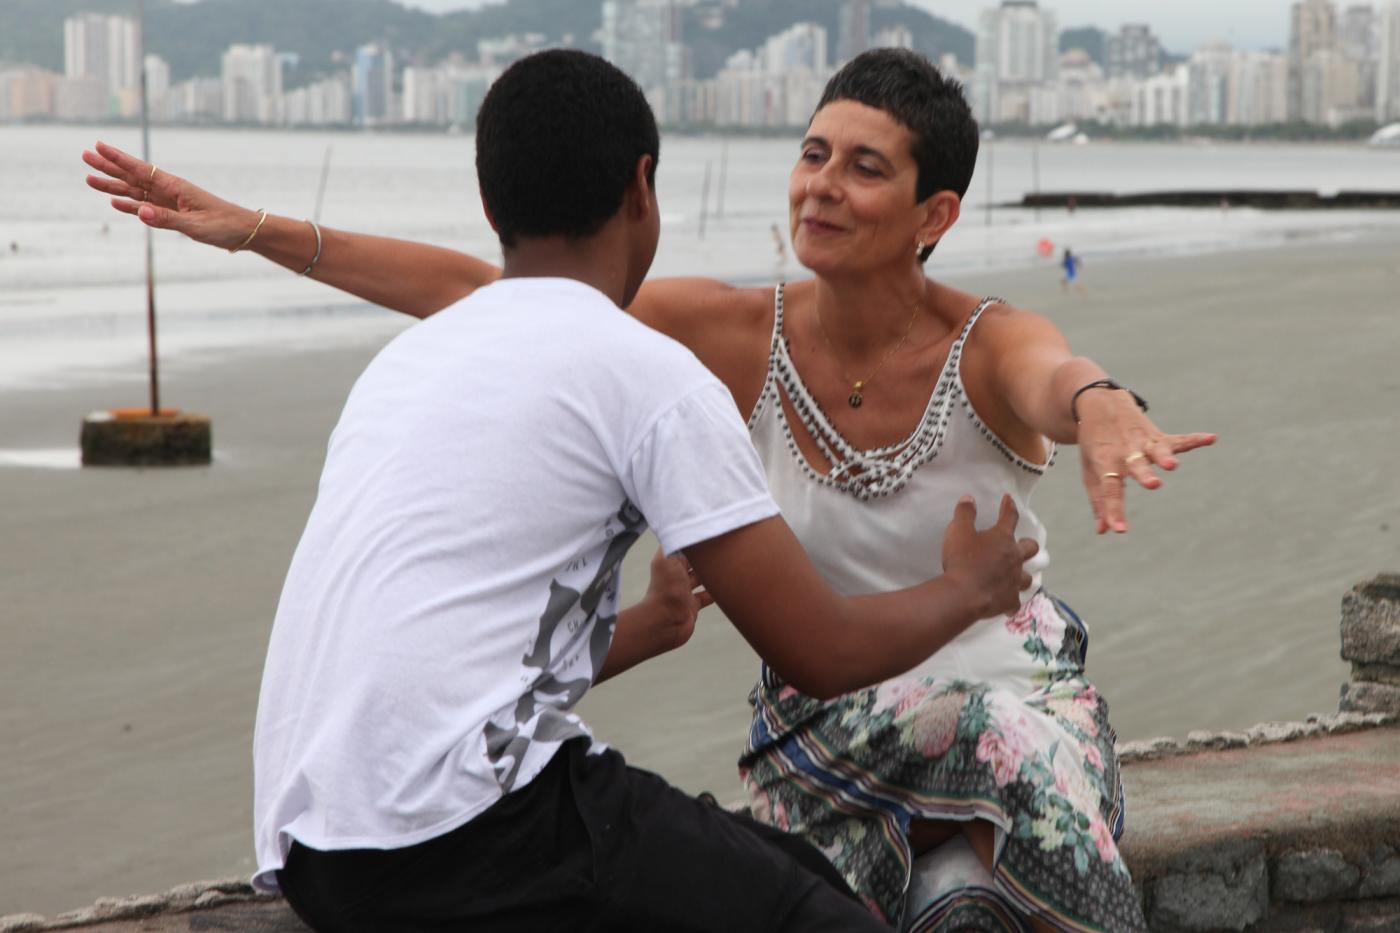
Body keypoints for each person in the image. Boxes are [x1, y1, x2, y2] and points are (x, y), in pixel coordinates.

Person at [85, 49, 1215, 933]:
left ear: (936, 214)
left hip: (987, 697)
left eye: (863, 166)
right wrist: (257, 233)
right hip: (822, 713)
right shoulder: (712, 336)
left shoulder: (986, 340)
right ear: (644, 186)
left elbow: (1048, 374)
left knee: (975, 821)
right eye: (813, 153)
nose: (821, 184)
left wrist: (1103, 400)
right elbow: (497, 286)